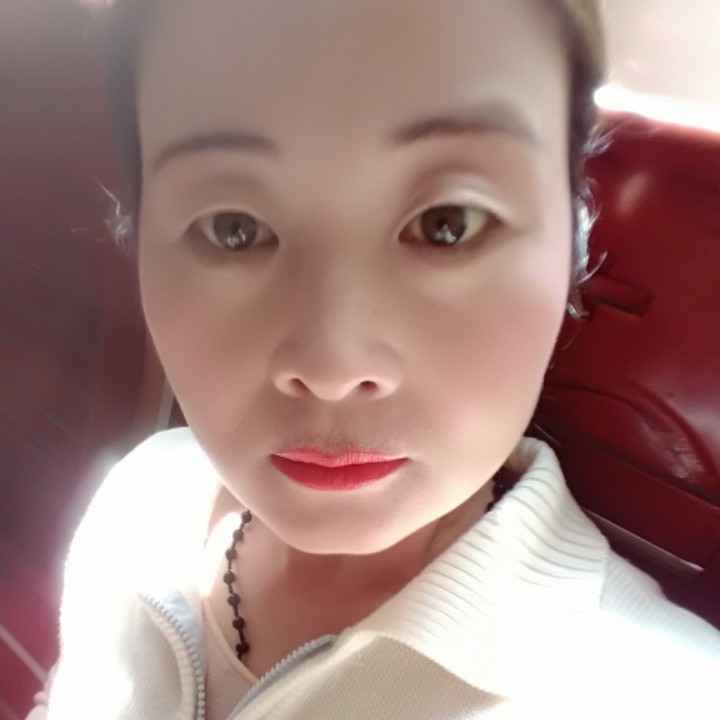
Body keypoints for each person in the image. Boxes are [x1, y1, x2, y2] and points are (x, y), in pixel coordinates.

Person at [31, 0, 720, 718]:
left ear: (572, 243)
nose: (332, 368)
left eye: (448, 224)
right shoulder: (139, 499)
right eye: (233, 228)